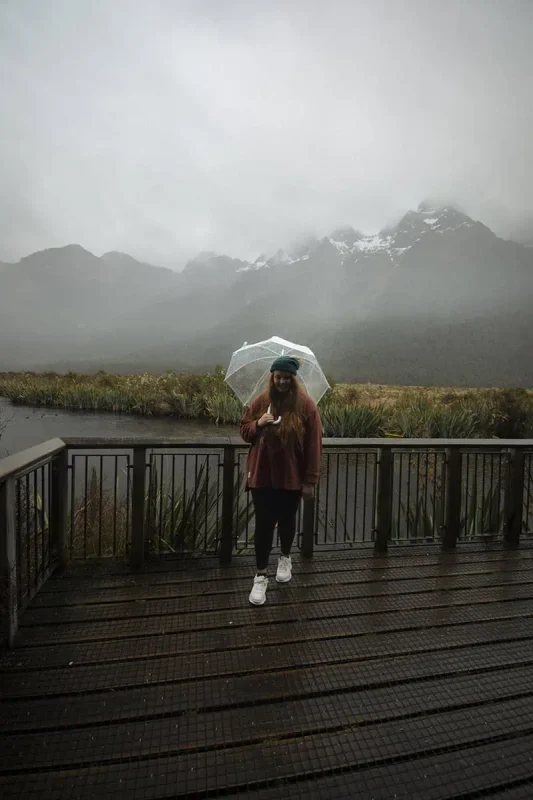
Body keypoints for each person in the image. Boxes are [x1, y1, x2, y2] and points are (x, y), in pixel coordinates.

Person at [240, 355, 323, 605]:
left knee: (287, 520)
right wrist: (258, 424)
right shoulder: (260, 402)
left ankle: (285, 557)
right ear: (272, 377)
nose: (282, 381)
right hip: (262, 474)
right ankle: (261, 575)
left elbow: (313, 444)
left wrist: (310, 480)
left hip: (291, 476)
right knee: (264, 525)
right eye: (278, 377)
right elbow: (244, 430)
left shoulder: (306, 406)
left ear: (293, 379)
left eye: (287, 377)